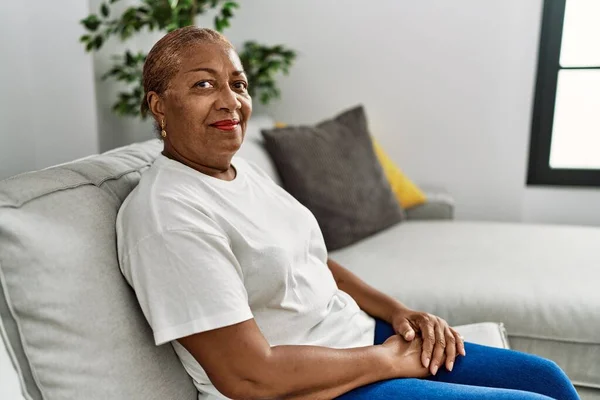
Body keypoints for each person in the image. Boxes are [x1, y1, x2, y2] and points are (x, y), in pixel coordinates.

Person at [116, 26, 580, 400]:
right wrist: (389, 361)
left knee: (548, 380)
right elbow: (250, 379)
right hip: (309, 385)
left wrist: (400, 313)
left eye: (237, 83)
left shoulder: (238, 171)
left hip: (359, 339)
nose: (229, 100)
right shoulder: (167, 217)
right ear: (159, 106)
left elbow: (309, 261)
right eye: (203, 84)